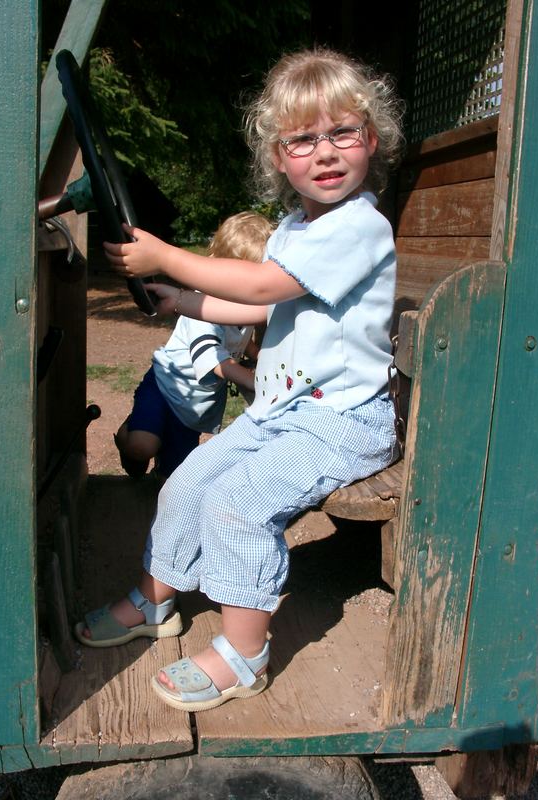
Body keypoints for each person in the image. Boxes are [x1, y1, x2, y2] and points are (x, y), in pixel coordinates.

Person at [76, 47, 404, 714]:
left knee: (238, 503)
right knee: (191, 482)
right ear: (280, 158)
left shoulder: (359, 226)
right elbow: (264, 304)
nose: (326, 151)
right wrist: (180, 300)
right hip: (282, 410)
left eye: (342, 132)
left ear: (371, 140)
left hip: (343, 421)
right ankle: (155, 598)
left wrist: (168, 253)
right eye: (304, 139)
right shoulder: (295, 227)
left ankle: (243, 653)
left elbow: (261, 282)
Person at [114, 210, 273, 479]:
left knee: (172, 475)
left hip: (194, 406)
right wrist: (250, 378)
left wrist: (259, 356)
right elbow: (211, 356)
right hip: (167, 385)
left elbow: (240, 342)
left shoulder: (247, 308)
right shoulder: (202, 305)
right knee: (142, 447)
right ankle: (125, 437)